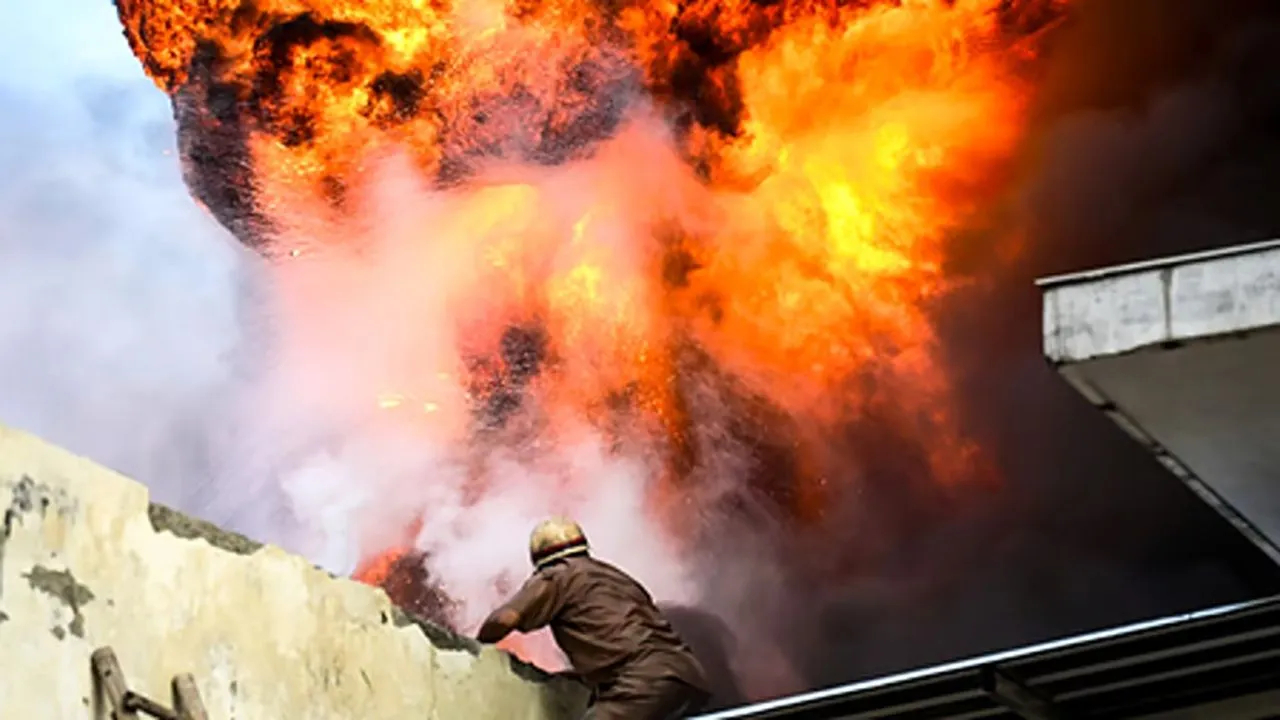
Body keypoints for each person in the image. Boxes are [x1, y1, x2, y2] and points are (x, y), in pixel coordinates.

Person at [477, 517, 711, 720]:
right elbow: (623, 639)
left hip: (644, 684)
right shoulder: (617, 577)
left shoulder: (557, 575)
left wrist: (474, 651)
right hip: (689, 678)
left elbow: (504, 619)